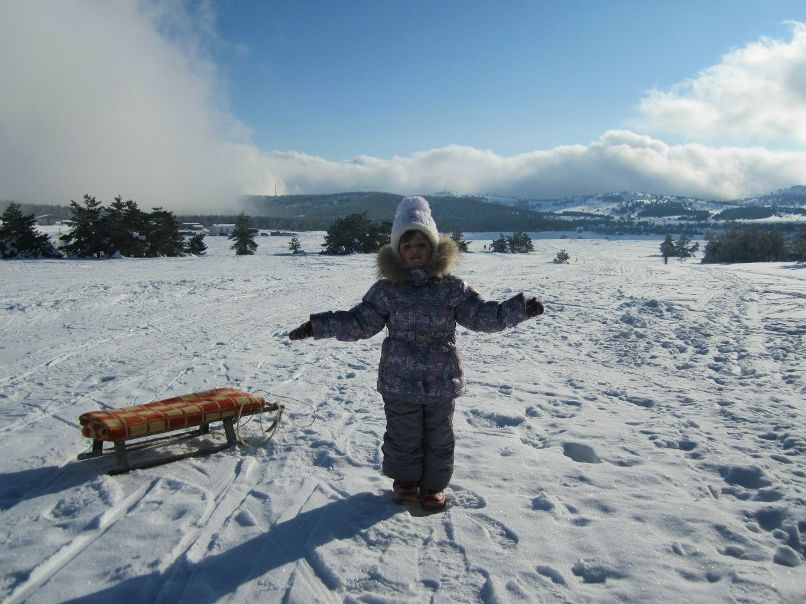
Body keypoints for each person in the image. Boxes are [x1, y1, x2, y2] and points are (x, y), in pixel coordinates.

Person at [288, 196, 544, 511]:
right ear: (398, 251)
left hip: (440, 377)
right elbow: (359, 322)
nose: (415, 252)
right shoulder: (386, 290)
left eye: (422, 245)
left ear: (433, 248)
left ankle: (434, 487)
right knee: (403, 434)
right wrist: (318, 327)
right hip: (399, 378)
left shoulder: (453, 288)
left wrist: (517, 309)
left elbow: (482, 315)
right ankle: (406, 483)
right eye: (408, 246)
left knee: (439, 436)